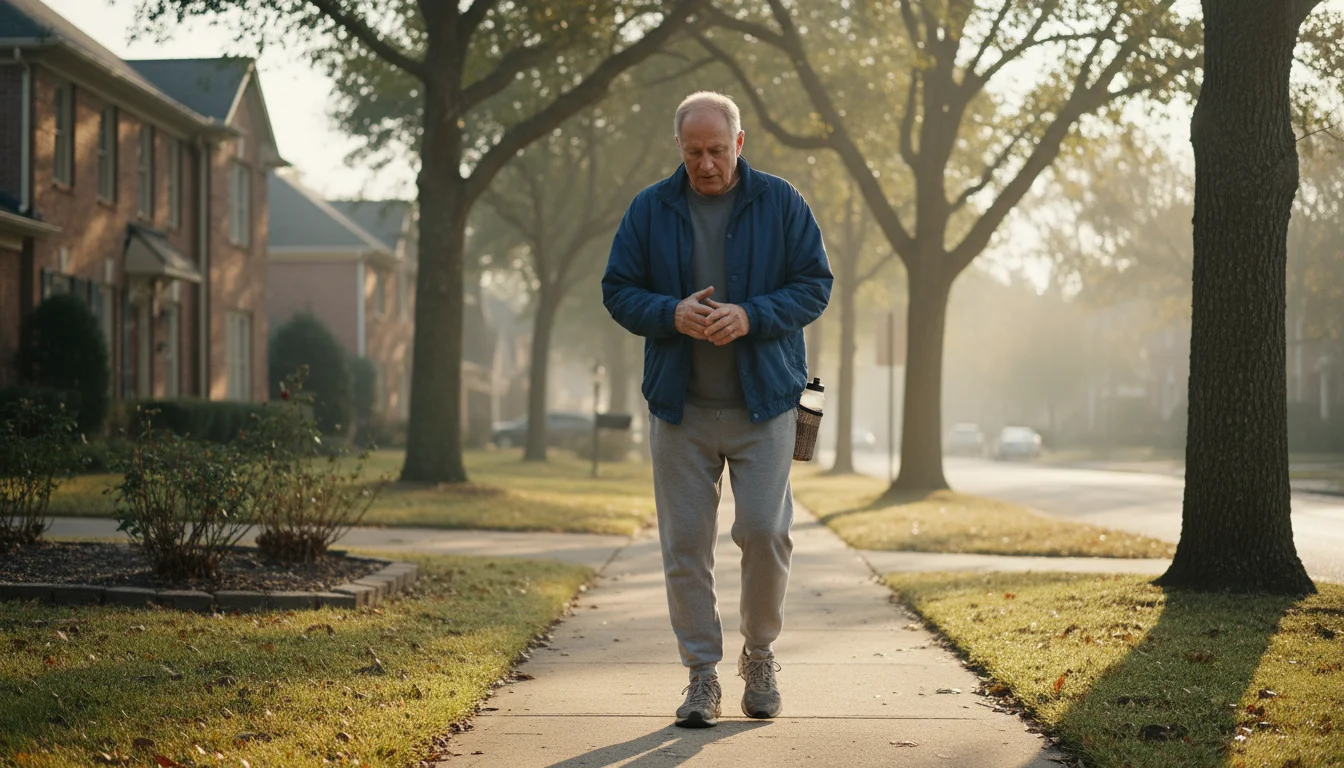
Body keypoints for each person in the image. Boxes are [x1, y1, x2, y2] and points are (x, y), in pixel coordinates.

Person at [601, 91, 832, 728]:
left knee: (765, 531)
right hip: (681, 408)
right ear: (680, 148)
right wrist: (671, 314)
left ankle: (759, 656)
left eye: (715, 150)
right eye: (693, 151)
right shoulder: (650, 209)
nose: (705, 164)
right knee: (685, 546)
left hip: (765, 404)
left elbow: (816, 285)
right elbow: (618, 291)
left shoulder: (782, 203)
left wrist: (751, 315)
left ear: (739, 141)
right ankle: (702, 676)